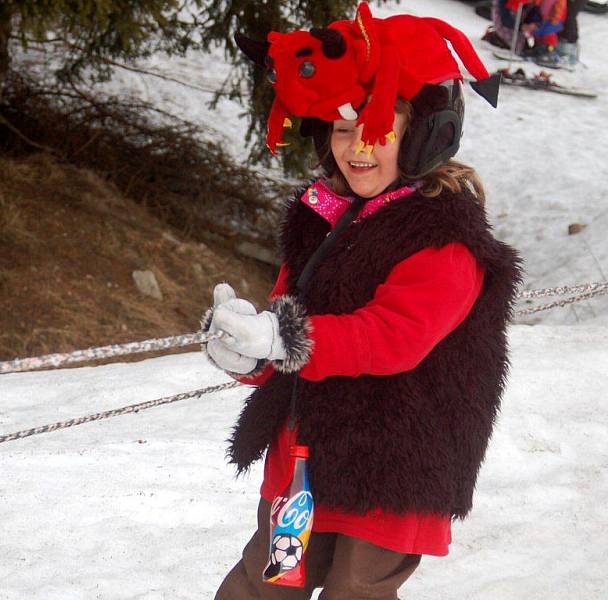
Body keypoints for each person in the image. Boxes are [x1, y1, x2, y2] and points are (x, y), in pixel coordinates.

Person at [200, 5, 522, 599]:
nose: (359, 149)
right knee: (265, 584)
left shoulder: (445, 241)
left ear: (426, 137)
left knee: (358, 589)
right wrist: (251, 351)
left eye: (380, 130)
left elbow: (392, 335)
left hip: (395, 466)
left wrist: (288, 340)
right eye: (345, 131)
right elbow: (286, 319)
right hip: (304, 458)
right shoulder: (321, 221)